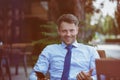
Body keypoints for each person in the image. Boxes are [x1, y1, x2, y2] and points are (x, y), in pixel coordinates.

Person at [29, 14, 100, 80]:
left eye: (71, 30)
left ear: (77, 30)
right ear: (59, 31)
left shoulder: (90, 51)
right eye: (64, 31)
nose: (68, 34)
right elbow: (35, 74)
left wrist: (91, 79)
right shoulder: (49, 50)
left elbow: (101, 75)